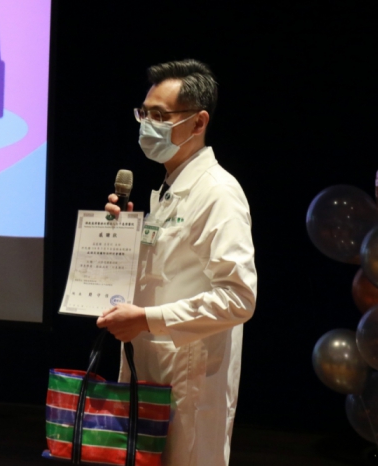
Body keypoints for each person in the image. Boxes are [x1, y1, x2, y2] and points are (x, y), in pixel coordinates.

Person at [97, 59, 257, 466]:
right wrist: (122, 237)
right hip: (152, 368)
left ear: (198, 122)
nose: (147, 126)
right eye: (144, 114)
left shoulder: (219, 193)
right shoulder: (171, 188)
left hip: (191, 377)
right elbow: (167, 272)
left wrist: (147, 319)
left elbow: (239, 299)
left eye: (160, 116)